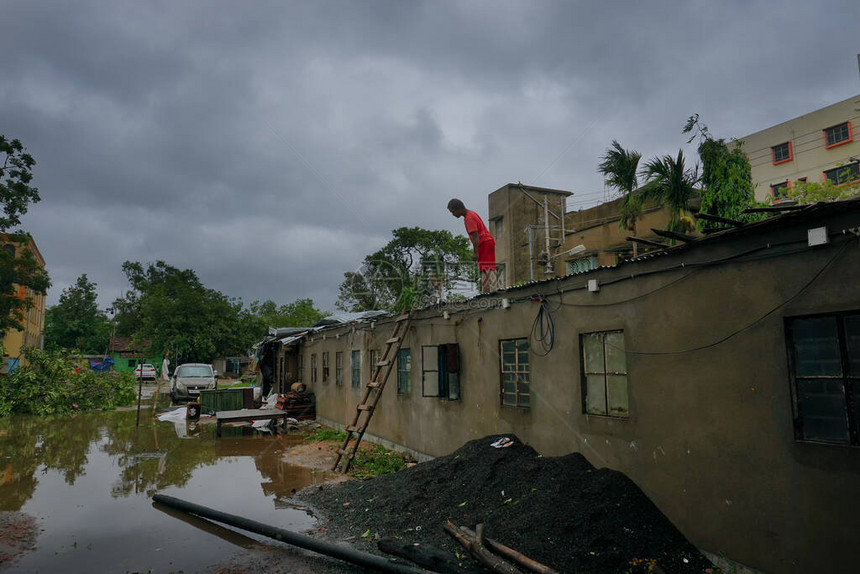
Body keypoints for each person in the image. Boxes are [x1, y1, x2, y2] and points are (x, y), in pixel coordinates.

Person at [447, 198, 497, 293]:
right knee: (485, 268)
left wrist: (475, 253)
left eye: (453, 212)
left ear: (458, 209)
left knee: (487, 268)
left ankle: (492, 291)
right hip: (486, 242)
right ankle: (485, 292)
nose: (453, 215)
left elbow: (475, 237)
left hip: (484, 243)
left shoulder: (469, 218)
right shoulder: (471, 214)